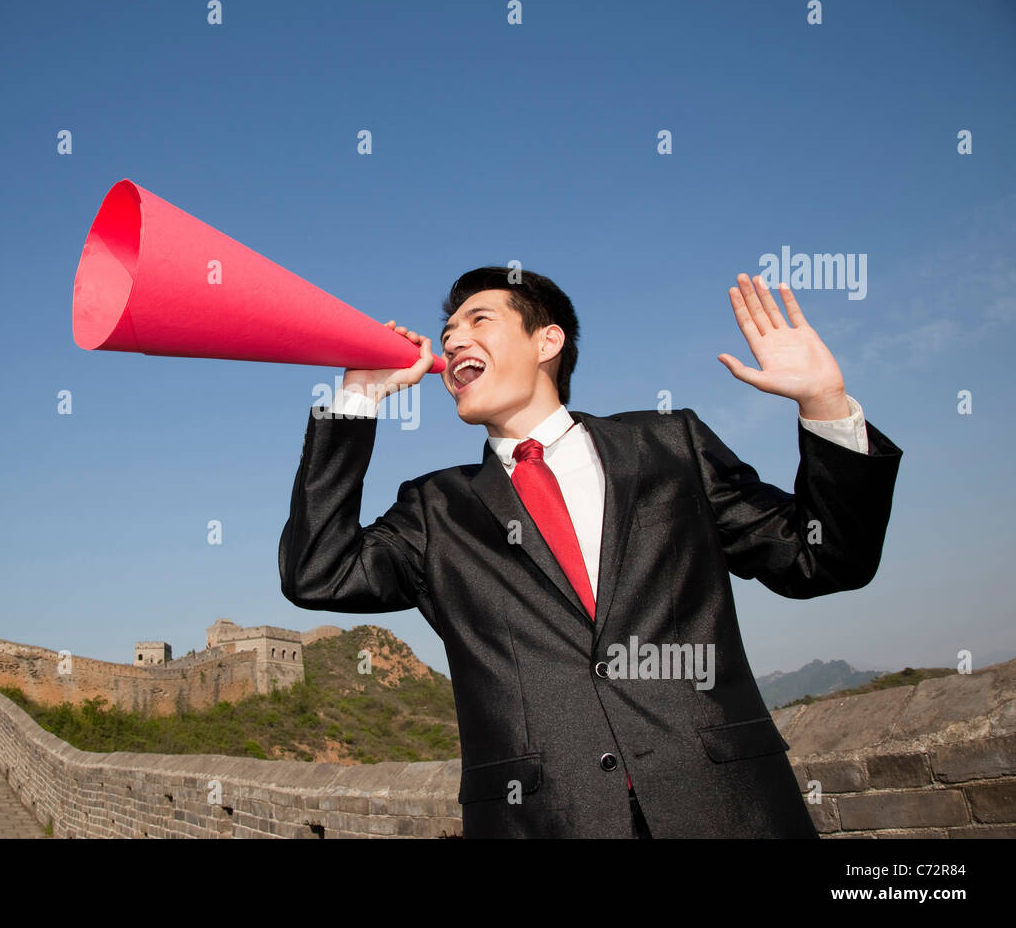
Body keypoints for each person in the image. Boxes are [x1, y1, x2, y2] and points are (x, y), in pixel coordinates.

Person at [278, 266, 903, 837]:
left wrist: (823, 404)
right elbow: (318, 574)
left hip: (728, 809)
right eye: (447, 332)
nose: (452, 340)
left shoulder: (669, 445)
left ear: (547, 342)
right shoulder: (435, 508)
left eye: (478, 320)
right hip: (543, 821)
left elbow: (823, 558)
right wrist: (356, 400)